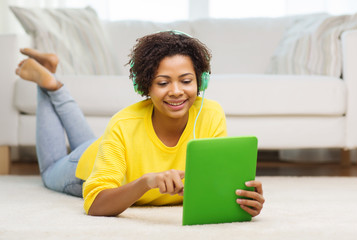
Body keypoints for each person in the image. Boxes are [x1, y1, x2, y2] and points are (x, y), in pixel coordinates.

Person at [15, 31, 265, 217]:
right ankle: (49, 83)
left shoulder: (211, 114)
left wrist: (244, 201)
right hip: (87, 166)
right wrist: (146, 182)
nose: (176, 91)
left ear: (201, 82)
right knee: (49, 172)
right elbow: (94, 204)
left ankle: (50, 70)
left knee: (89, 141)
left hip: (109, 149)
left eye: (186, 81)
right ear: (145, 86)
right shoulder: (123, 124)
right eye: (163, 83)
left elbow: (214, 183)